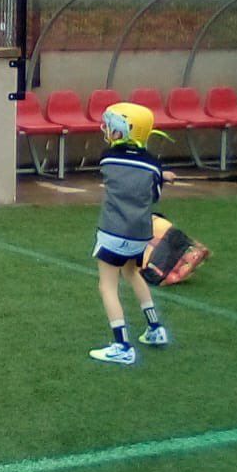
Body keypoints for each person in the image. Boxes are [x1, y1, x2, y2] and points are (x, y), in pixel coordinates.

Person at [89, 102, 177, 366]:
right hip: (139, 233)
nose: (107, 130)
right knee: (131, 272)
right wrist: (161, 177)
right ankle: (155, 328)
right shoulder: (153, 164)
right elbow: (153, 195)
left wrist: (159, 175)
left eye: (113, 126)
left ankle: (122, 345)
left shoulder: (107, 157)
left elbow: (119, 174)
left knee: (107, 285)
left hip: (113, 230)